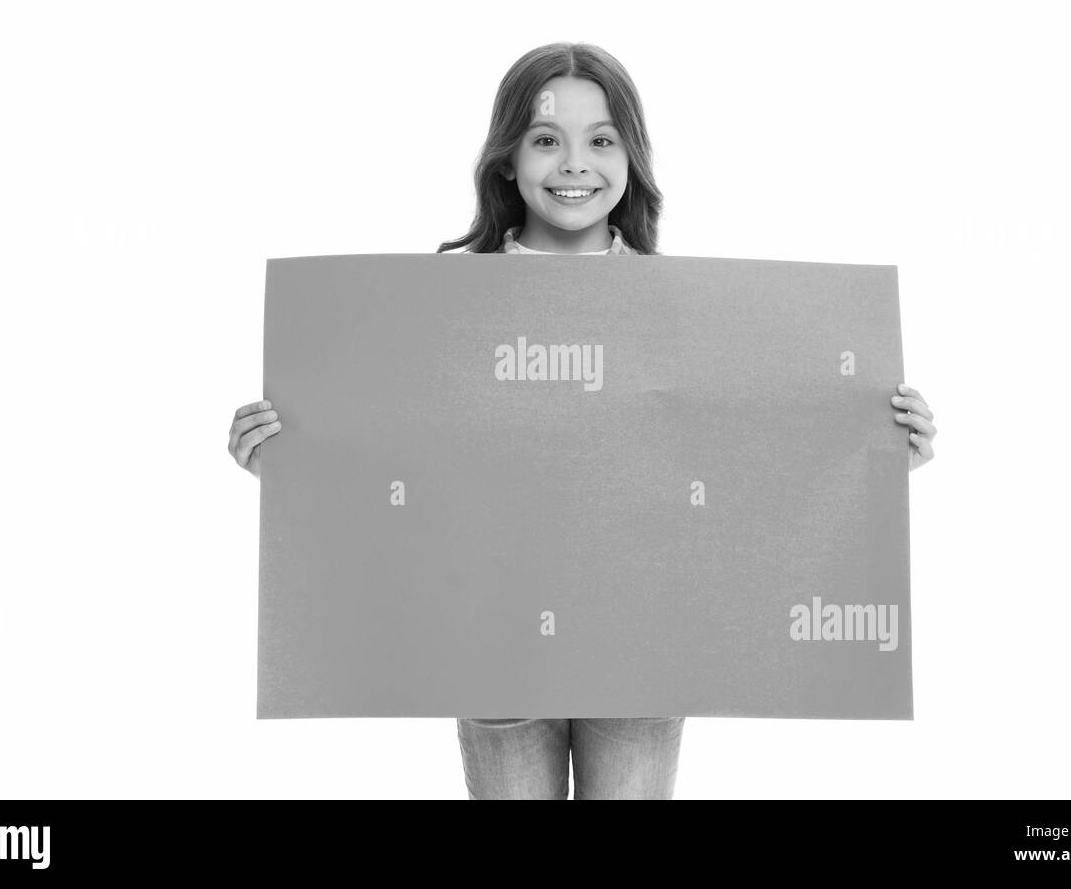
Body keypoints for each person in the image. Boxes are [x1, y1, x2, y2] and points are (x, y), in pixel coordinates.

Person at [228, 42, 938, 799]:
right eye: (545, 140)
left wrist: (874, 455)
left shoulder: (686, 309)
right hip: (491, 650)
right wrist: (290, 456)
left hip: (642, 656)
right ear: (507, 159)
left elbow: (750, 458)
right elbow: (393, 458)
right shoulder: (437, 307)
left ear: (630, 157)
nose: (574, 164)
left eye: (601, 140)